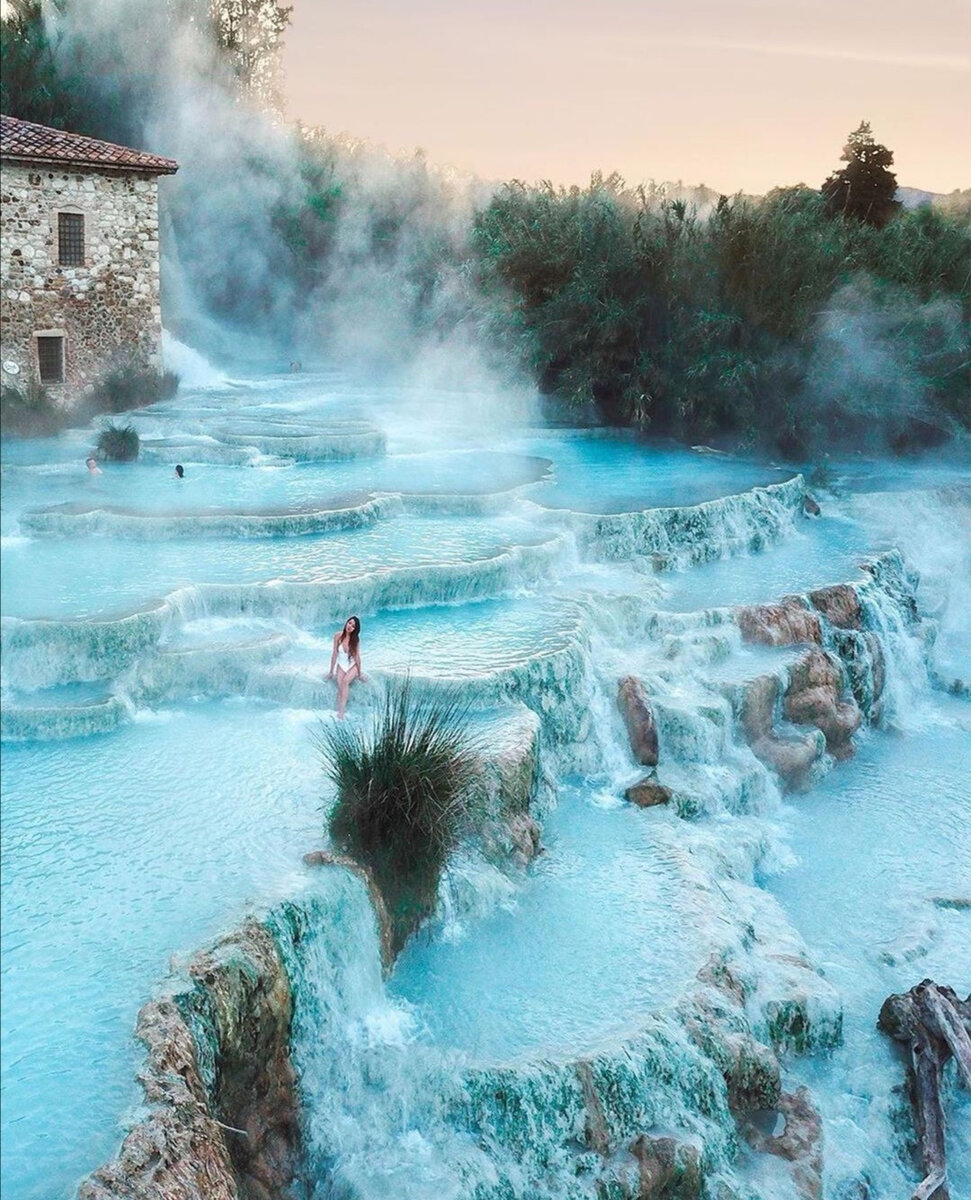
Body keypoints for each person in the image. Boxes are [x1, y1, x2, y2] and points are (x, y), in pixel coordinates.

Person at [327, 615, 365, 718]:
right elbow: (334, 654)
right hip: (342, 664)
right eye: (349, 623)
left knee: (345, 681)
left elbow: (357, 657)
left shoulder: (355, 640)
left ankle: (342, 711)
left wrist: (360, 673)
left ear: (355, 630)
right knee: (340, 686)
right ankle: (339, 709)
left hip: (352, 665)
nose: (350, 626)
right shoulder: (337, 636)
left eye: (353, 626)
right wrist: (331, 671)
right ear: (346, 622)